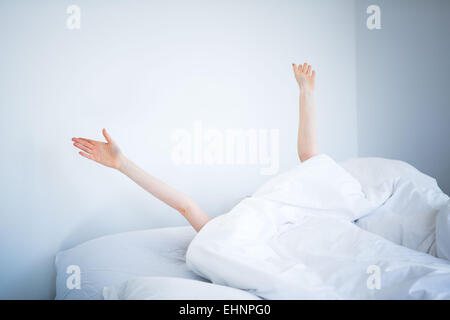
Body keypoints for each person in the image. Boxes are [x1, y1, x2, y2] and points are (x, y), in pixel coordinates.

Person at [72, 62, 317, 232]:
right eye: (248, 203)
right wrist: (122, 164)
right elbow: (185, 205)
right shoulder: (229, 238)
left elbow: (311, 163)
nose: (249, 202)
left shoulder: (295, 219)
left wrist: (306, 92)